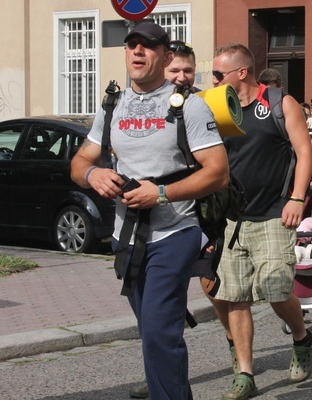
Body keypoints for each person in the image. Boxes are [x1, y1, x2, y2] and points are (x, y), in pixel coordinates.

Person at [70, 21, 230, 399]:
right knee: (154, 332)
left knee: (159, 331)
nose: (138, 52)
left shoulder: (189, 106)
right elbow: (79, 162)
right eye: (132, 45)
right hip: (127, 238)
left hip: (176, 232)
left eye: (148, 46)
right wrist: (93, 175)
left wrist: (160, 193)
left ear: (165, 55)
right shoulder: (112, 106)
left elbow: (218, 172)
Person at [212, 43, 312, 399]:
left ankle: (301, 338)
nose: (212, 81)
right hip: (232, 217)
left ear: (241, 73)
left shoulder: (278, 102)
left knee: (275, 289)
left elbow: (305, 152)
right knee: (235, 297)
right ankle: (245, 373)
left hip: (274, 212)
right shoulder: (217, 109)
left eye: (217, 74)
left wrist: (297, 198)